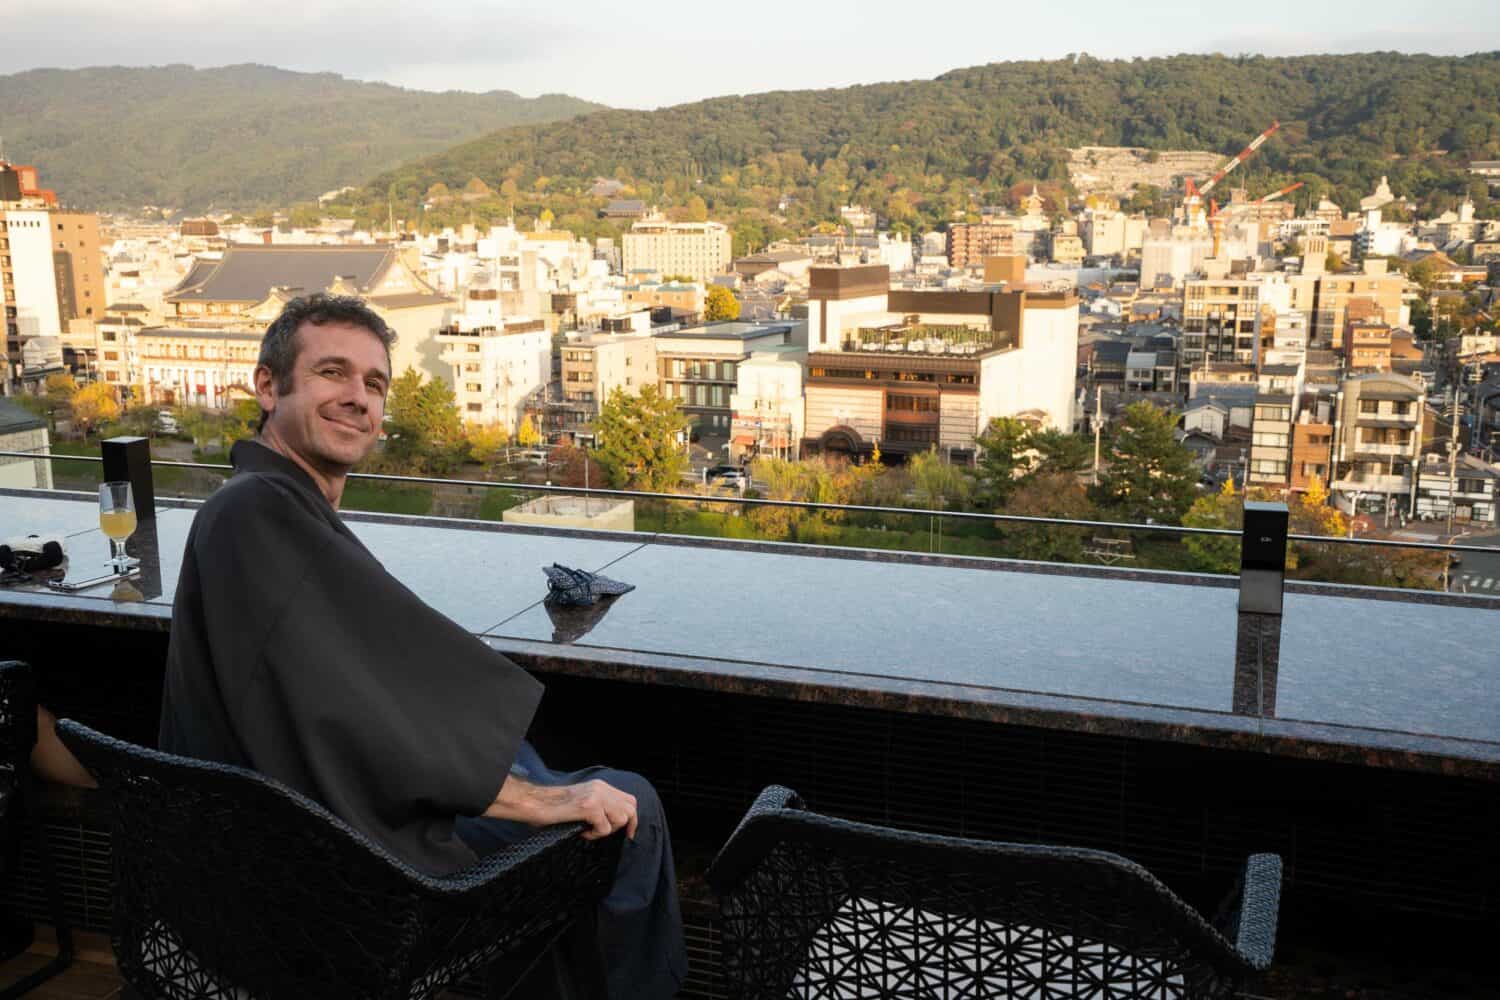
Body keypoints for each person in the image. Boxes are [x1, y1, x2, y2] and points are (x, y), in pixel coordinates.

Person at [157, 294, 686, 999]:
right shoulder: (257, 513)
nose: (357, 398)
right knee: (631, 807)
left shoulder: (259, 508)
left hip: (274, 855)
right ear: (267, 385)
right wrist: (534, 803)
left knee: (547, 772)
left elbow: (338, 684)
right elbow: (354, 716)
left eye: (374, 384)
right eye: (332, 374)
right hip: (335, 889)